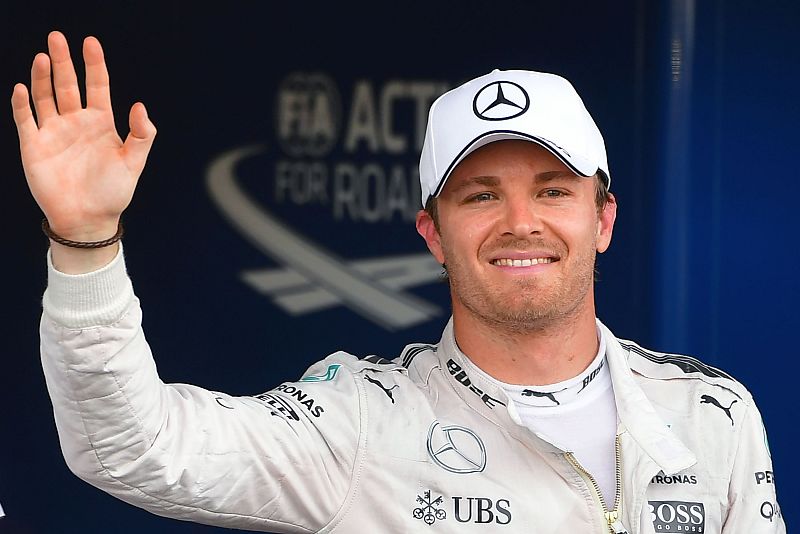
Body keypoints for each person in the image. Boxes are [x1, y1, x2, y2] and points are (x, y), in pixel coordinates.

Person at [12, 31, 784, 533]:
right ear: (433, 235)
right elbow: (132, 445)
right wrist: (85, 239)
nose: (521, 222)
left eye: (553, 190)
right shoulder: (362, 423)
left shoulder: (711, 414)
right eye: (480, 196)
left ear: (603, 218)